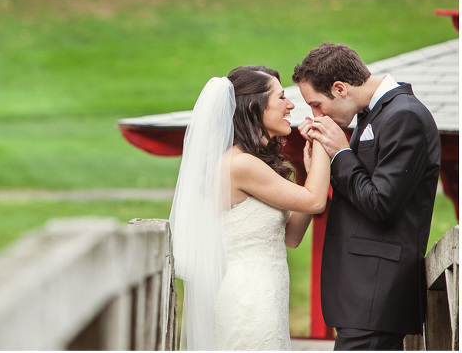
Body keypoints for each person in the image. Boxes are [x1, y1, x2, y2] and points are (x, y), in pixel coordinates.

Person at [169, 65, 331, 351]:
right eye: (282, 97)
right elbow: (315, 200)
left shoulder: (244, 162)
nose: (291, 105)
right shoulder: (240, 164)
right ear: (255, 106)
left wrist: (309, 174)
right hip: (248, 298)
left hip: (266, 294)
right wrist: (323, 142)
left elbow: (291, 237)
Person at [292, 42, 441, 351]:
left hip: (376, 292)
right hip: (363, 296)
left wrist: (341, 153)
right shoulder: (375, 116)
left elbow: (382, 204)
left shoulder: (405, 116)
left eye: (317, 104)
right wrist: (322, 165)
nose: (316, 114)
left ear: (339, 88)